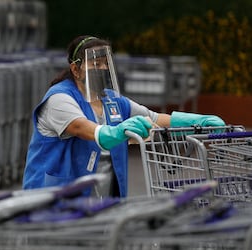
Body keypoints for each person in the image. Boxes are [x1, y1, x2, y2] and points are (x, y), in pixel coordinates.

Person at [22, 35, 225, 197]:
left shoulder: (112, 101)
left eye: (104, 64)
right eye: (95, 64)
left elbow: (153, 118)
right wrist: (118, 131)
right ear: (75, 69)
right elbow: (83, 129)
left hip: (101, 199)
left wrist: (198, 121)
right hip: (53, 199)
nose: (101, 68)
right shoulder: (59, 99)